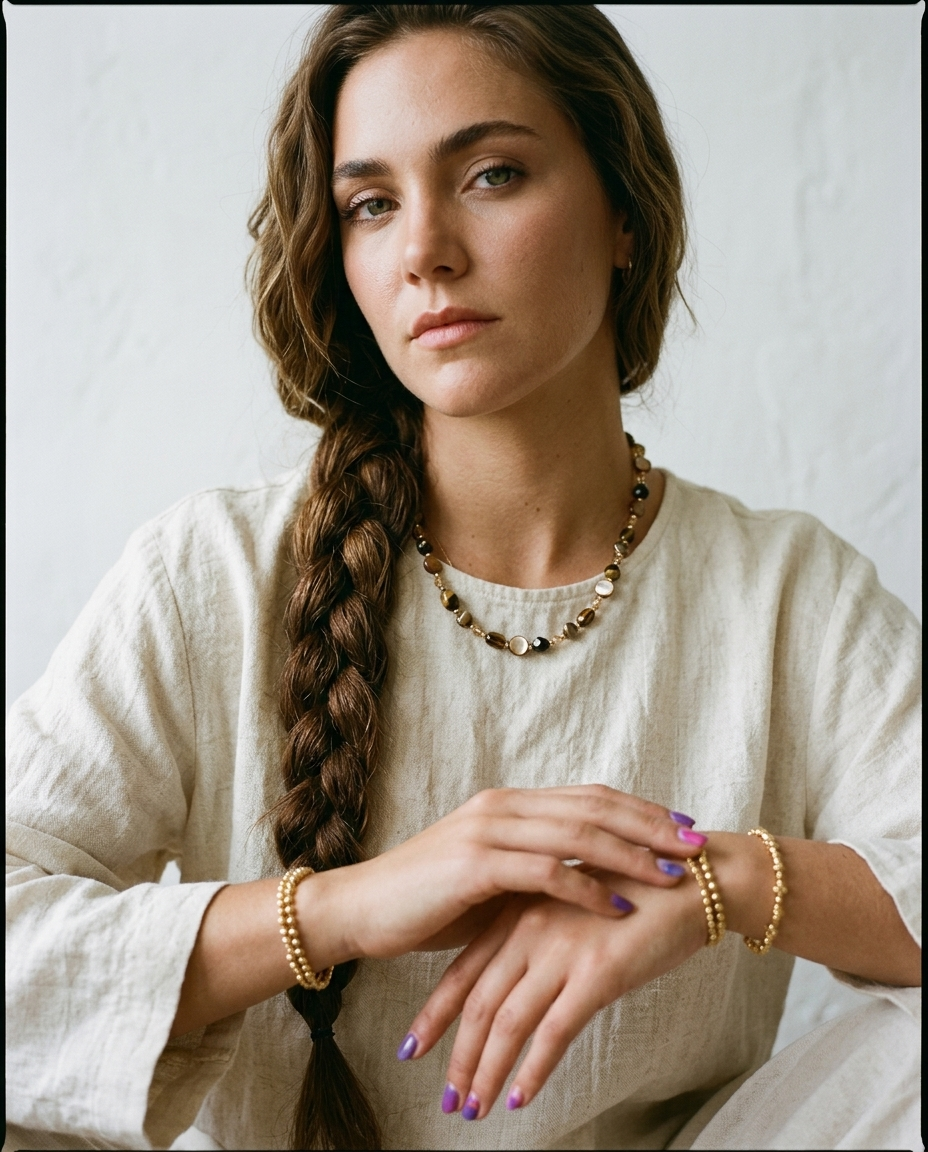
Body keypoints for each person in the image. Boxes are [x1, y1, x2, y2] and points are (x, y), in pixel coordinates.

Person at [6, 6, 920, 1151]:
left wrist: (721, 884)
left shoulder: (787, 593)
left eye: (491, 175)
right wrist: (339, 911)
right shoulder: (214, 574)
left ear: (625, 213)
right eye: (371, 204)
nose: (423, 250)